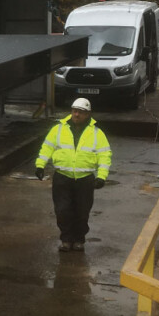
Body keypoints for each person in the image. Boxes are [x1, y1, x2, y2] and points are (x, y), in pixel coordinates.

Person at [35, 97, 111, 252]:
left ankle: (79, 239)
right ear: (71, 111)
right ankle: (66, 239)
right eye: (75, 111)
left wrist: (101, 176)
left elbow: (104, 156)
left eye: (81, 112)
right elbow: (47, 147)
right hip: (62, 177)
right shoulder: (58, 129)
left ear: (88, 114)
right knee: (62, 210)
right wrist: (40, 165)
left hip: (85, 179)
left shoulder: (97, 133)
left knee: (82, 212)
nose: (77, 115)